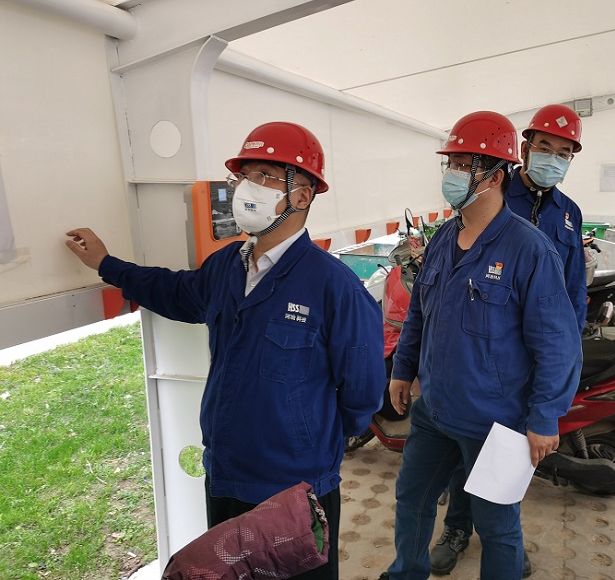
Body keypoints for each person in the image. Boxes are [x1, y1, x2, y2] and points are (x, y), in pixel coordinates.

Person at [65, 121, 386, 580]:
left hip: (294, 487)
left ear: (302, 196)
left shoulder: (334, 286)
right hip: (225, 473)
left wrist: (308, 440)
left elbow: (362, 394)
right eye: (243, 176)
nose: (246, 187)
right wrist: (107, 264)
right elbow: (175, 292)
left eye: (264, 176)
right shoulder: (225, 266)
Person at [380, 111, 582, 580]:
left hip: (497, 420)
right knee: (412, 499)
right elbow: (419, 313)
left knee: (497, 528)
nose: (451, 173)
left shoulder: (530, 250)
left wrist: (545, 416)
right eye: (450, 162)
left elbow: (557, 342)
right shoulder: (443, 237)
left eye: (462, 164)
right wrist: (403, 369)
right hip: (434, 410)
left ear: (494, 176)